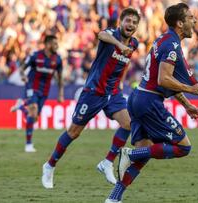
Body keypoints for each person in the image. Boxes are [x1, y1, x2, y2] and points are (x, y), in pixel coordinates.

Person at [105, 3, 198, 203]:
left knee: (145, 153)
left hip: (138, 97)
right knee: (183, 147)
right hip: (149, 101)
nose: (194, 21)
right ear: (180, 23)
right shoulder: (171, 45)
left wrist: (186, 105)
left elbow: (164, 81)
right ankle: (130, 154)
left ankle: (114, 198)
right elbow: (163, 79)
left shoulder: (164, 39)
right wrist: (190, 89)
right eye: (190, 18)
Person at [41, 8, 141, 189]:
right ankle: (49, 165)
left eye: (134, 22)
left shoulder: (133, 43)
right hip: (94, 92)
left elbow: (124, 63)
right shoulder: (111, 34)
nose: (131, 25)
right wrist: (119, 45)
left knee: (129, 123)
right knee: (73, 132)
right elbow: (102, 35)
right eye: (128, 21)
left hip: (113, 93)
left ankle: (107, 162)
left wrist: (121, 82)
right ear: (121, 22)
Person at [10, 35, 64, 153]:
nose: (57, 46)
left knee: (33, 118)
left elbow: (60, 79)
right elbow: (21, 69)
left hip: (44, 91)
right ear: (48, 44)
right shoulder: (35, 56)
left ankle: (20, 106)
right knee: (33, 109)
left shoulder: (58, 59)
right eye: (55, 44)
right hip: (31, 87)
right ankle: (28, 145)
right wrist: (23, 76)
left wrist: (60, 94)